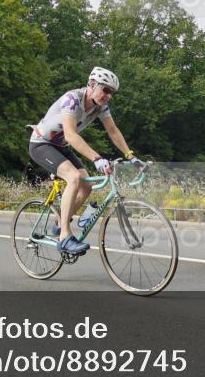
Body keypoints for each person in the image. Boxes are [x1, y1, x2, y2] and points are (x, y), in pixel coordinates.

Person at [28, 67, 139, 254]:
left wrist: (131, 155)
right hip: (41, 144)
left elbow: (112, 130)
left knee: (86, 185)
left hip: (60, 146)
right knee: (74, 178)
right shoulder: (72, 99)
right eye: (106, 90)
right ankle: (64, 236)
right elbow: (70, 135)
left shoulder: (100, 106)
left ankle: (58, 223)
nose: (108, 96)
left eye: (111, 93)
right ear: (92, 85)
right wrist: (97, 158)